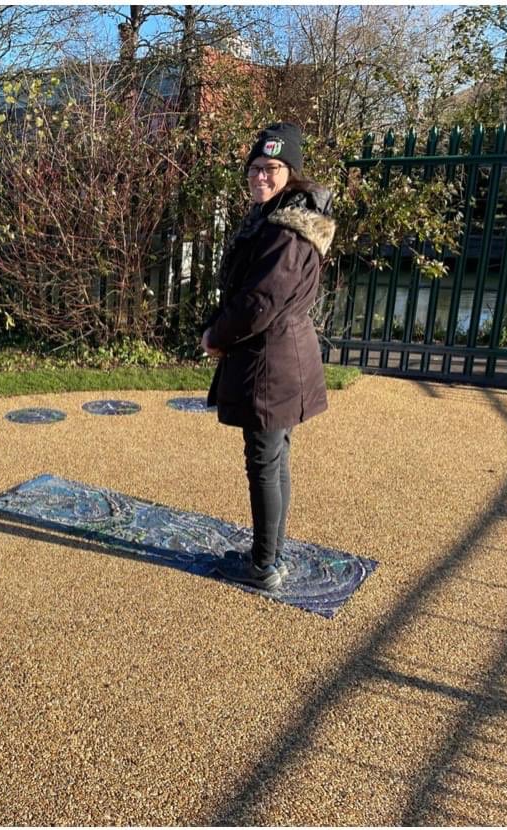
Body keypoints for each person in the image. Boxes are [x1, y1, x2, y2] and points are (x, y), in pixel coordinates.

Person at [200, 122, 335, 592]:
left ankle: (264, 566)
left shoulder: (287, 229)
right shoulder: (275, 215)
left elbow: (261, 301)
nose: (260, 176)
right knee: (273, 458)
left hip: (269, 360)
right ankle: (268, 554)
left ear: (290, 171)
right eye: (255, 167)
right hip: (280, 355)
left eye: (271, 168)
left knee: (264, 460)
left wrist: (216, 335)